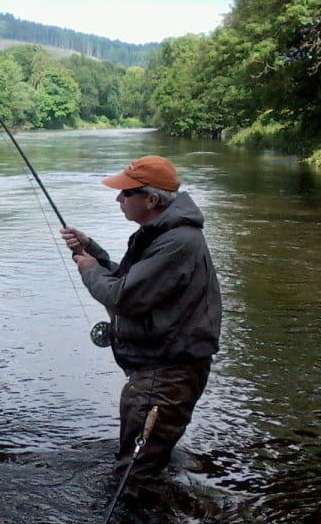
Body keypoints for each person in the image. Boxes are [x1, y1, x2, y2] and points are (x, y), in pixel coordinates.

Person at [60, 155, 222, 497]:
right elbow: (133, 282)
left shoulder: (177, 241)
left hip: (165, 376)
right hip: (163, 370)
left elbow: (123, 296)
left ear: (151, 200)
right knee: (142, 469)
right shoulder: (163, 234)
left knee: (133, 480)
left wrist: (89, 269)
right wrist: (93, 252)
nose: (118, 199)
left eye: (125, 193)